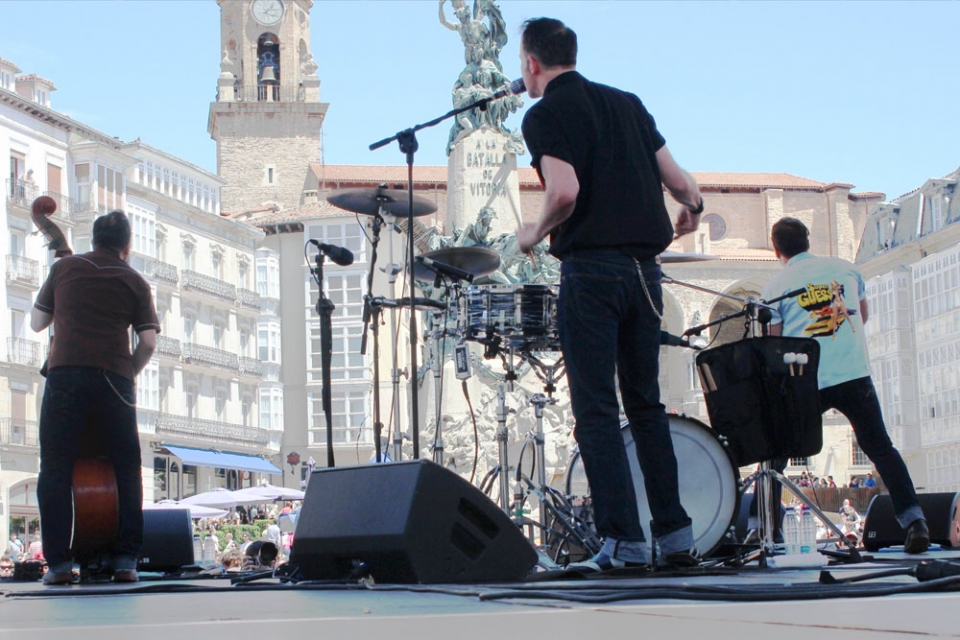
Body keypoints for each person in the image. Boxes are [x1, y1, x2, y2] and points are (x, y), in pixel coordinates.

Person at [515, 18, 703, 571]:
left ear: (531, 64)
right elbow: (684, 186)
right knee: (645, 406)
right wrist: (692, 209)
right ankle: (676, 539)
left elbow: (565, 191)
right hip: (646, 274)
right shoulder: (628, 103)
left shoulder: (545, 113)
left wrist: (533, 231)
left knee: (596, 410)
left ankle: (622, 542)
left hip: (592, 271)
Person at [761, 217, 929, 554]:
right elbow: (861, 316)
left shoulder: (775, 287)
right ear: (808, 240)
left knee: (776, 455)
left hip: (809, 378)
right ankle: (915, 522)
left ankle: (769, 530)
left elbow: (774, 342)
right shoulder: (846, 269)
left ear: (776, 248)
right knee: (881, 448)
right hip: (854, 374)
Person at [32, 209, 159, 585]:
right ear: (128, 245)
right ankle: (125, 561)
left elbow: (38, 323)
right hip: (114, 379)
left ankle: (57, 565)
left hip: (66, 373)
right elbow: (148, 342)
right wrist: (126, 374)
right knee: (126, 467)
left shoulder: (65, 268)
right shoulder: (135, 280)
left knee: (54, 466)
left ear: (93, 239)